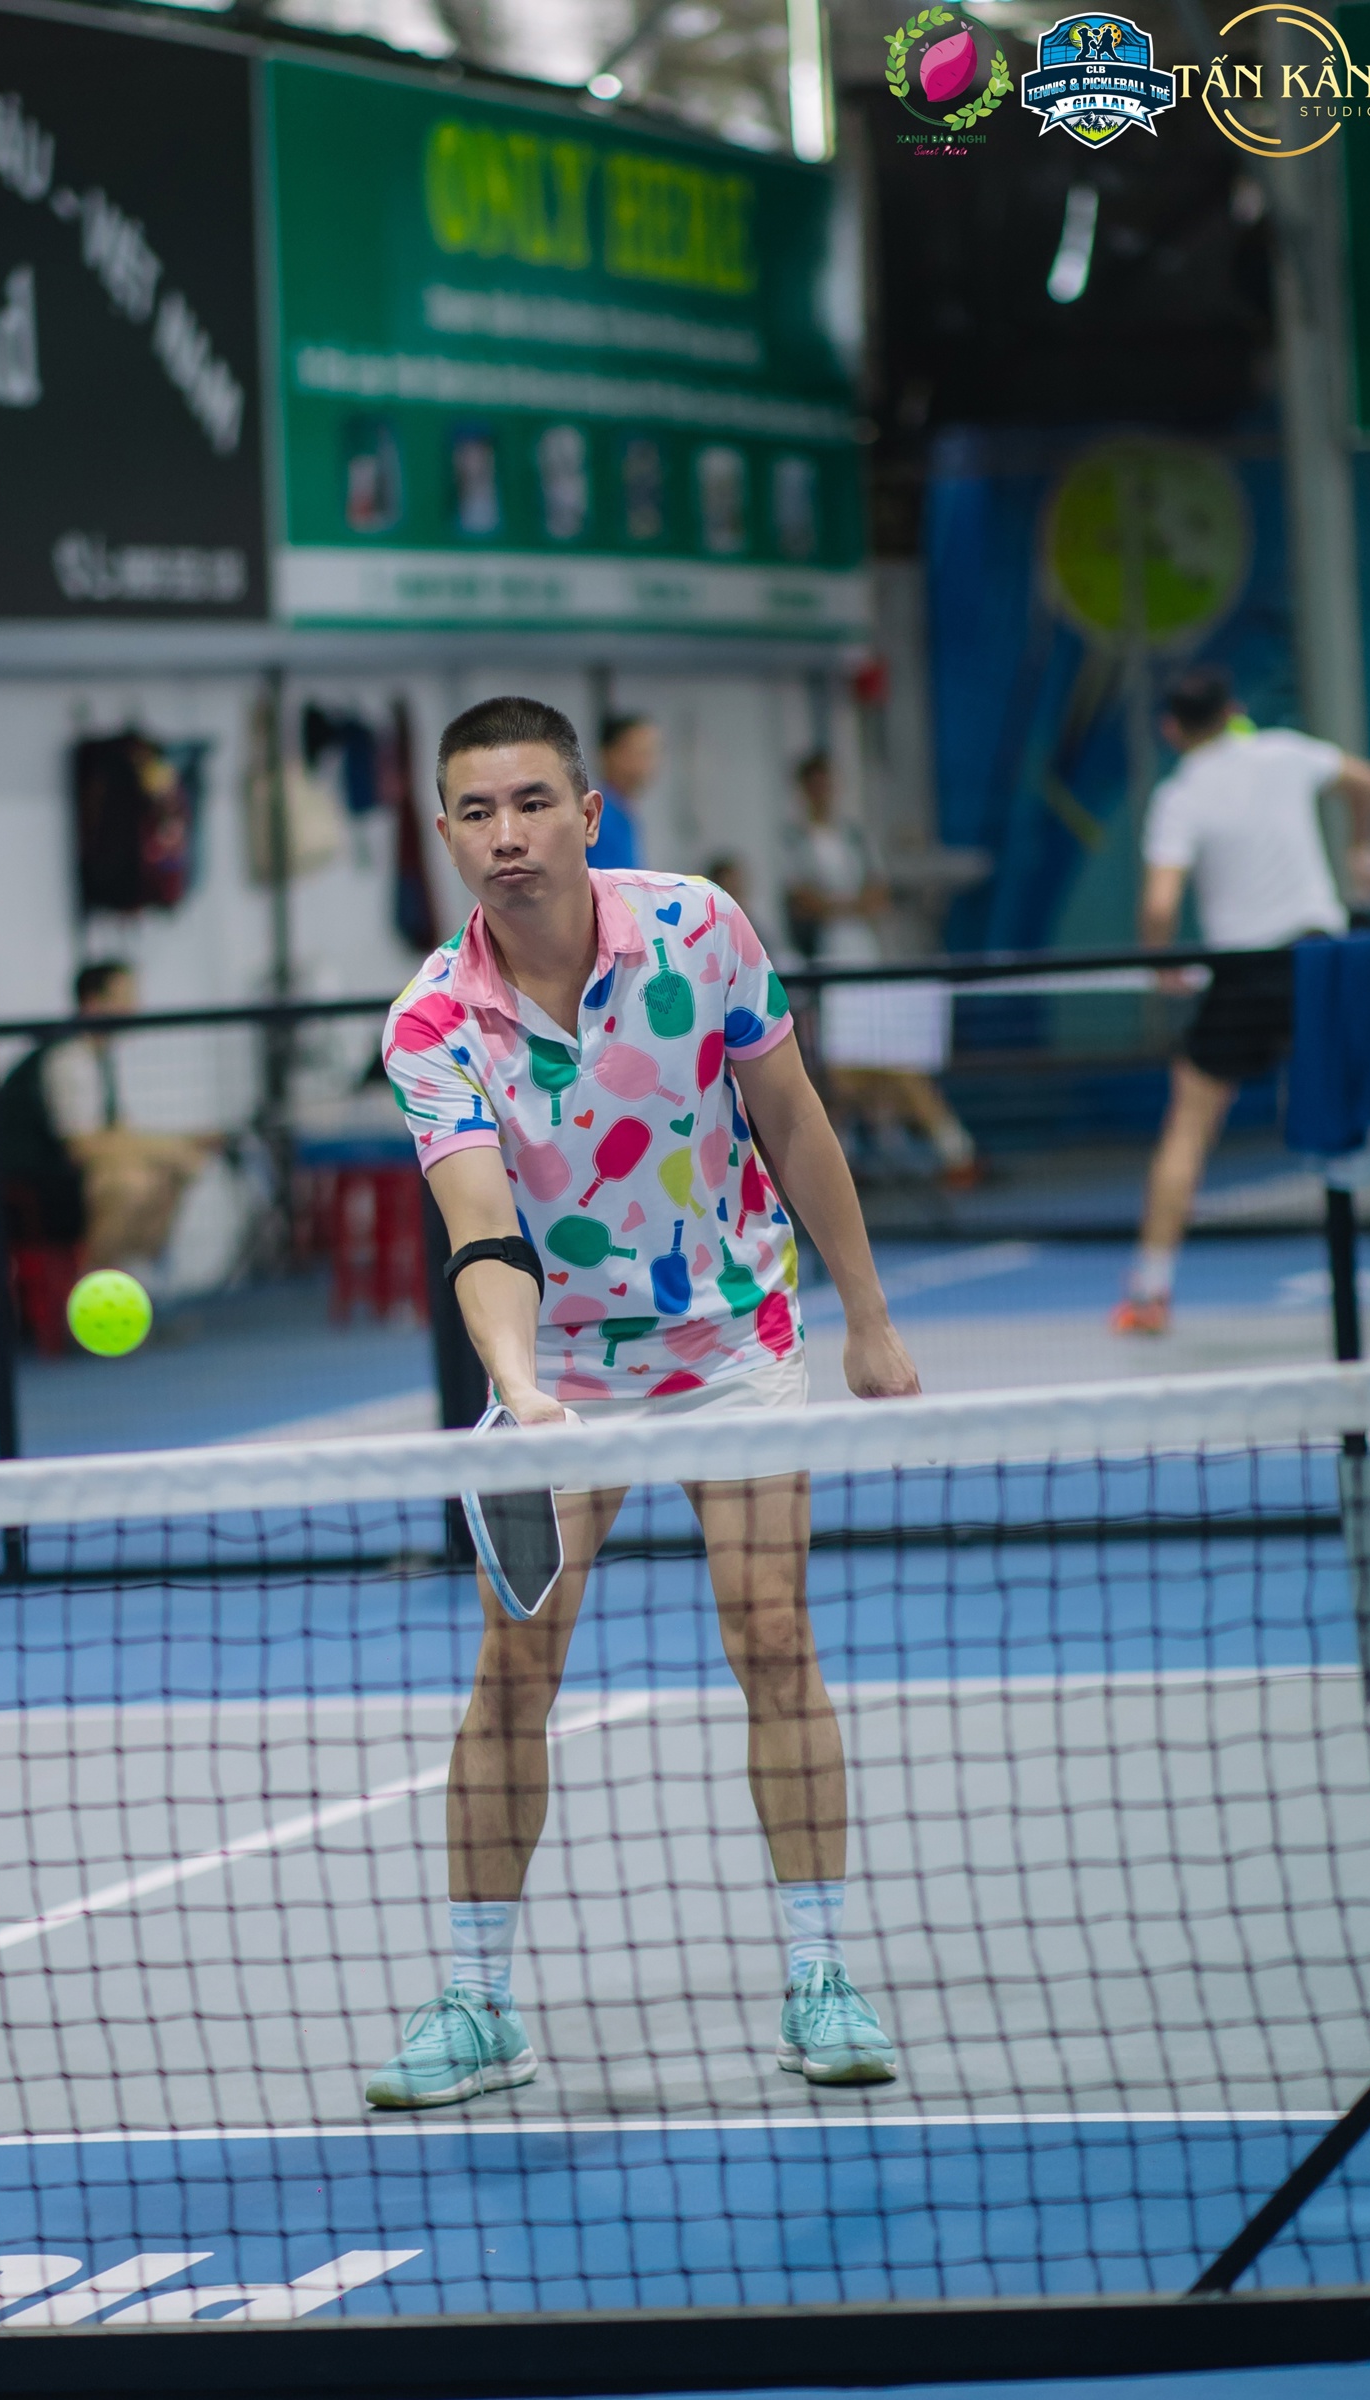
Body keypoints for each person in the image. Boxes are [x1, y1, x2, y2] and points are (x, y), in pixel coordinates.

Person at [373, 693, 920, 2110]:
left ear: (585, 813)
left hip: (731, 1334)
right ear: (446, 833)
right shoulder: (432, 1021)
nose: (506, 835)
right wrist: (515, 1390)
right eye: (476, 812)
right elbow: (479, 1227)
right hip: (559, 1365)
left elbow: (790, 1116)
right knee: (515, 1674)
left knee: (773, 1634)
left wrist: (864, 1314)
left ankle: (819, 1973)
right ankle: (477, 2001)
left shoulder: (698, 928)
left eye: (530, 803)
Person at [1114, 664, 1370, 1334]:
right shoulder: (1284, 751)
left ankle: (1150, 1293)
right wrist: (1362, 847)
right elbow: (1368, 782)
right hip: (1319, 966)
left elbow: (1158, 904)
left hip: (1243, 976)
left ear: (1170, 729)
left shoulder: (1179, 795)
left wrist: (1161, 965)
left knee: (1188, 1126)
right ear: (1234, 711)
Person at [783, 753, 977, 1187]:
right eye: (816, 784)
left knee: (883, 1063)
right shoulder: (794, 843)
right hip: (826, 967)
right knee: (839, 1072)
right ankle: (845, 1156)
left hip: (865, 961)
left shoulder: (854, 837)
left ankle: (947, 1146)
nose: (824, 792)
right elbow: (803, 902)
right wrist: (844, 905)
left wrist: (839, 905)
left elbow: (875, 894)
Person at [0, 960, 215, 1270]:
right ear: (93, 1003)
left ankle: (129, 1270)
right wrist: (172, 1147)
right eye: (123, 999)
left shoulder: (95, 1056)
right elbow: (82, 1146)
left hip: (60, 1176)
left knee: (171, 1170)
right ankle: (90, 1279)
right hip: (36, 1183)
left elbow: (112, 1132)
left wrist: (182, 1143)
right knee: (132, 1184)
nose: (133, 1009)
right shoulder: (68, 1057)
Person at [592, 711, 662, 872]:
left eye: (652, 753)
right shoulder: (597, 815)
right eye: (641, 752)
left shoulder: (625, 814)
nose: (650, 763)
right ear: (610, 754)